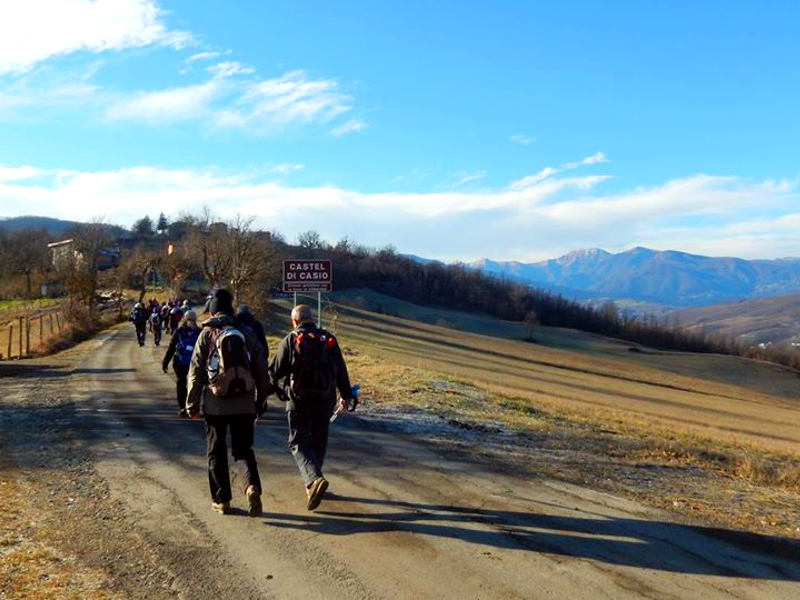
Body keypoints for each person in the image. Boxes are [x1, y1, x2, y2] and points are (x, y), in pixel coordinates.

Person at [186, 289, 270, 517]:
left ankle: (221, 500)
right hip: (244, 403)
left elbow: (195, 371)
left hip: (215, 404)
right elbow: (262, 368)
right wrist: (261, 400)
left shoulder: (207, 334)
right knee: (243, 450)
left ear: (212, 311)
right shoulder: (246, 332)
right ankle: (251, 486)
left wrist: (191, 404)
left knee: (216, 451)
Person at [270, 304, 356, 511]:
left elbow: (275, 371)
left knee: (297, 443)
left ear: (294, 321)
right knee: (319, 440)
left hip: (298, 400)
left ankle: (314, 479)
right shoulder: (329, 339)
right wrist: (346, 395)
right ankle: (313, 483)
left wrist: (265, 394)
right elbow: (341, 371)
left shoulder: (291, 339)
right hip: (325, 400)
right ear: (313, 319)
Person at [162, 310, 201, 417]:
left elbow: (171, 347)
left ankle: (183, 407)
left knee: (181, 384)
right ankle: (194, 407)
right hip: (196, 363)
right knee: (195, 385)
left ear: (184, 318)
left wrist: (165, 362)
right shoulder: (200, 332)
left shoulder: (179, 331)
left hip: (180, 363)